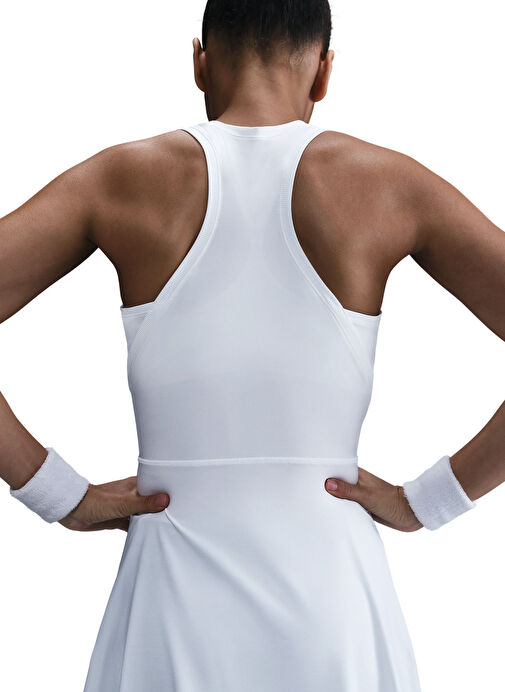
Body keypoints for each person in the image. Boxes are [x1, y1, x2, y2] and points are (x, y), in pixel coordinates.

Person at [1, 1, 504, 690]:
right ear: (324, 73)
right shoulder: (388, 186)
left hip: (170, 601)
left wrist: (59, 494)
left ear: (199, 63)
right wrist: (430, 500)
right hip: (332, 605)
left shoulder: (120, 179)